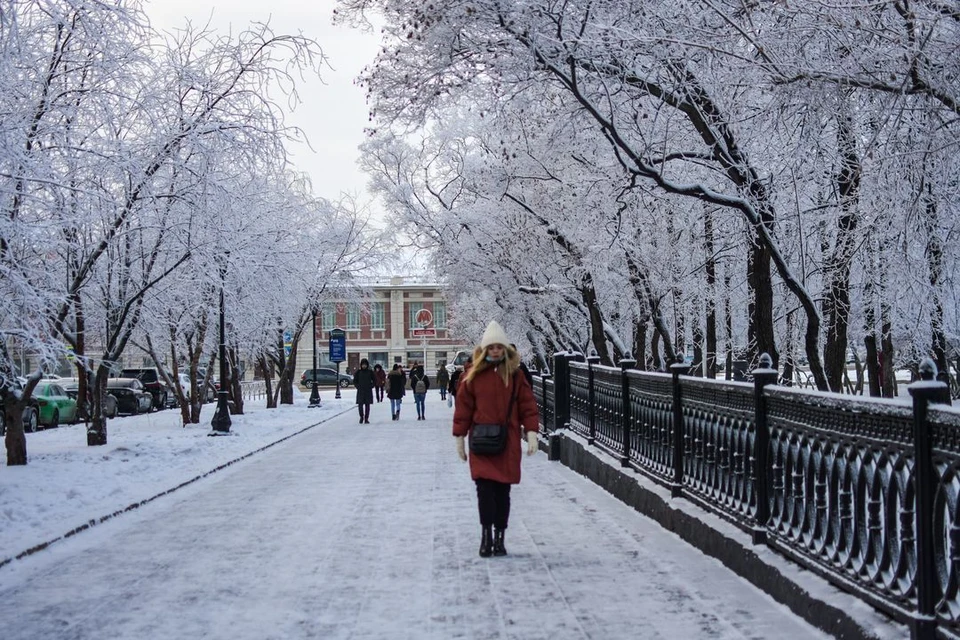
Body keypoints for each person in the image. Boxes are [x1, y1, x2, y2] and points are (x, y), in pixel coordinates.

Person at [452, 320, 539, 558]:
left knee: (502, 493)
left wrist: (531, 432)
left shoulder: (515, 375)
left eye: (499, 347)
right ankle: (486, 535)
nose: (495, 351)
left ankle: (500, 538)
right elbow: (463, 409)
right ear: (485, 349)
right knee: (484, 491)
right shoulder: (473, 376)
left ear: (505, 349)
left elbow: (528, 406)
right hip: (481, 441)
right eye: (491, 347)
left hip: (507, 442)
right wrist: (459, 436)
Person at [353, 359, 376, 423]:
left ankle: (366, 418)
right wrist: (357, 386)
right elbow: (355, 381)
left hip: (368, 390)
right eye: (363, 365)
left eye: (365, 365)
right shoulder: (358, 372)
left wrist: (372, 386)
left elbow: (374, 380)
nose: (364, 366)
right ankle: (361, 416)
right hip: (360, 390)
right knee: (360, 405)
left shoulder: (370, 372)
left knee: (367, 405)